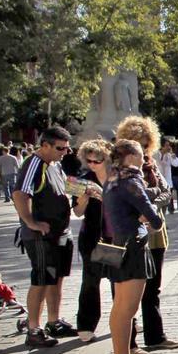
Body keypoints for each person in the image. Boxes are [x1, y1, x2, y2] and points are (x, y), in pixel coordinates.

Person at [115, 116, 178, 351]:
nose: (141, 149)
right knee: (128, 294)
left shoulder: (151, 165)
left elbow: (166, 192)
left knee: (153, 288)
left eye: (144, 144)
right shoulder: (119, 172)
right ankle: (128, 345)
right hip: (132, 235)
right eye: (136, 144)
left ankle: (155, 336)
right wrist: (149, 199)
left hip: (155, 233)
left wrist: (147, 199)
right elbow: (131, 197)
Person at [102, 139, 165, 354]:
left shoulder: (113, 178)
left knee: (119, 306)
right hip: (133, 246)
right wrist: (151, 213)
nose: (144, 159)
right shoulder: (131, 180)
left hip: (116, 244)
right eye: (140, 154)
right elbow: (154, 219)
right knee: (128, 308)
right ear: (131, 157)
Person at [12, 127, 77, 347]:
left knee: (56, 278)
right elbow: (20, 193)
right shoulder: (33, 164)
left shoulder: (55, 165)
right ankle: (33, 329)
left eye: (67, 149)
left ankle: (53, 321)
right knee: (41, 280)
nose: (64, 152)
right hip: (41, 237)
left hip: (60, 234)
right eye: (60, 148)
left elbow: (65, 187)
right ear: (45, 145)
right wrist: (30, 222)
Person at [72, 139, 111, 343]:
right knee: (90, 282)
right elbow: (77, 212)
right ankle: (86, 326)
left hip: (115, 236)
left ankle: (126, 320)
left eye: (98, 160)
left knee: (119, 281)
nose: (94, 164)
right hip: (92, 237)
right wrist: (83, 201)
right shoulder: (83, 180)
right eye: (90, 160)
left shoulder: (117, 177)